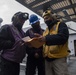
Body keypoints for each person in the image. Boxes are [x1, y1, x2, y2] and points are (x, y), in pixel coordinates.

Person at [38, 10, 69, 75]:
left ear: (52, 17)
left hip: (59, 59)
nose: (45, 20)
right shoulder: (46, 31)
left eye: (47, 18)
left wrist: (45, 38)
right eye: (44, 19)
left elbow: (63, 37)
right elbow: (44, 43)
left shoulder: (61, 25)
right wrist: (35, 41)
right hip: (47, 60)